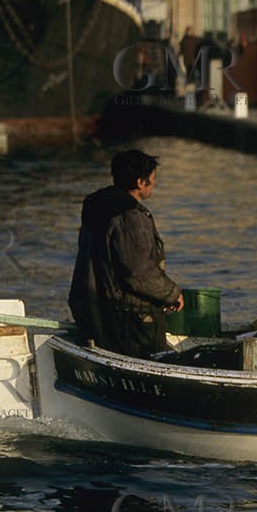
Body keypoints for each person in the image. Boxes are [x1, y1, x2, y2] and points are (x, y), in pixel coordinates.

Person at [68, 150, 184, 357]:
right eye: (153, 179)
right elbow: (138, 272)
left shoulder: (96, 206)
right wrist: (171, 294)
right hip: (127, 318)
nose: (154, 184)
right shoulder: (131, 216)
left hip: (92, 310)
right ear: (141, 182)